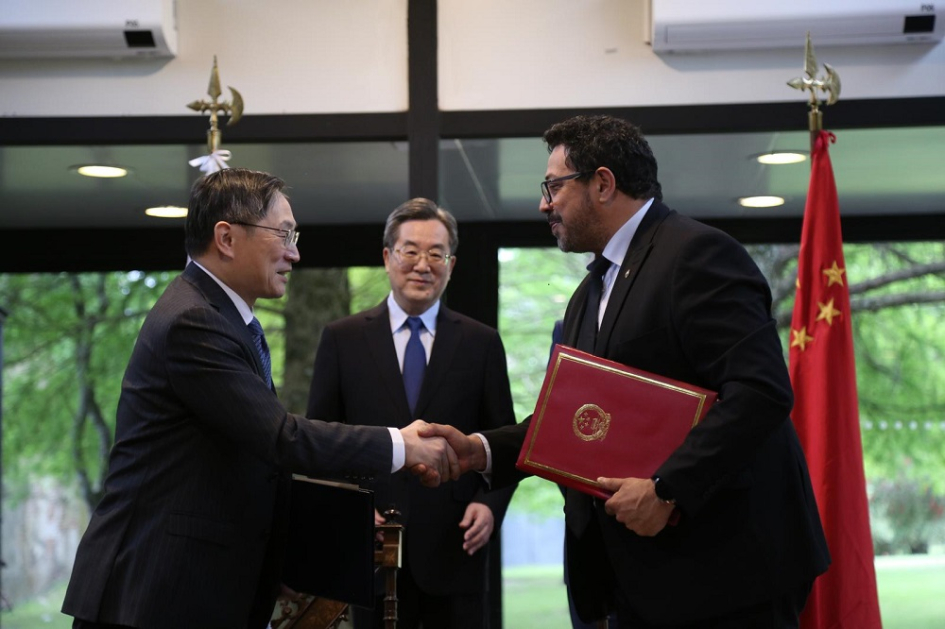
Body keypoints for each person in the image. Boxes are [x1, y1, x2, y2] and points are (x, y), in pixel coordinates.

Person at [418, 115, 830, 628]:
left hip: (726, 575)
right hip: (637, 583)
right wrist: (478, 450)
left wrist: (667, 488)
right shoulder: (585, 296)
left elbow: (761, 391)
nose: (544, 203)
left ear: (604, 183)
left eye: (553, 186)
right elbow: (571, 419)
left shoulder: (697, 254)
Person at [61, 168, 456, 629]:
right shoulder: (195, 322)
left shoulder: (225, 317)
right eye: (284, 234)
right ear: (226, 238)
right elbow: (281, 439)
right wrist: (403, 445)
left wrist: (280, 555)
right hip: (155, 591)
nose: (295, 251)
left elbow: (248, 459)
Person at [306, 198, 516, 629]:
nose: (423, 264)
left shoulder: (481, 342)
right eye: (410, 251)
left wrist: (491, 506)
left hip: (456, 549)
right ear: (387, 257)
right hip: (372, 551)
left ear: (452, 264)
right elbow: (319, 444)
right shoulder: (342, 339)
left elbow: (504, 440)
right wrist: (353, 512)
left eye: (436, 253)